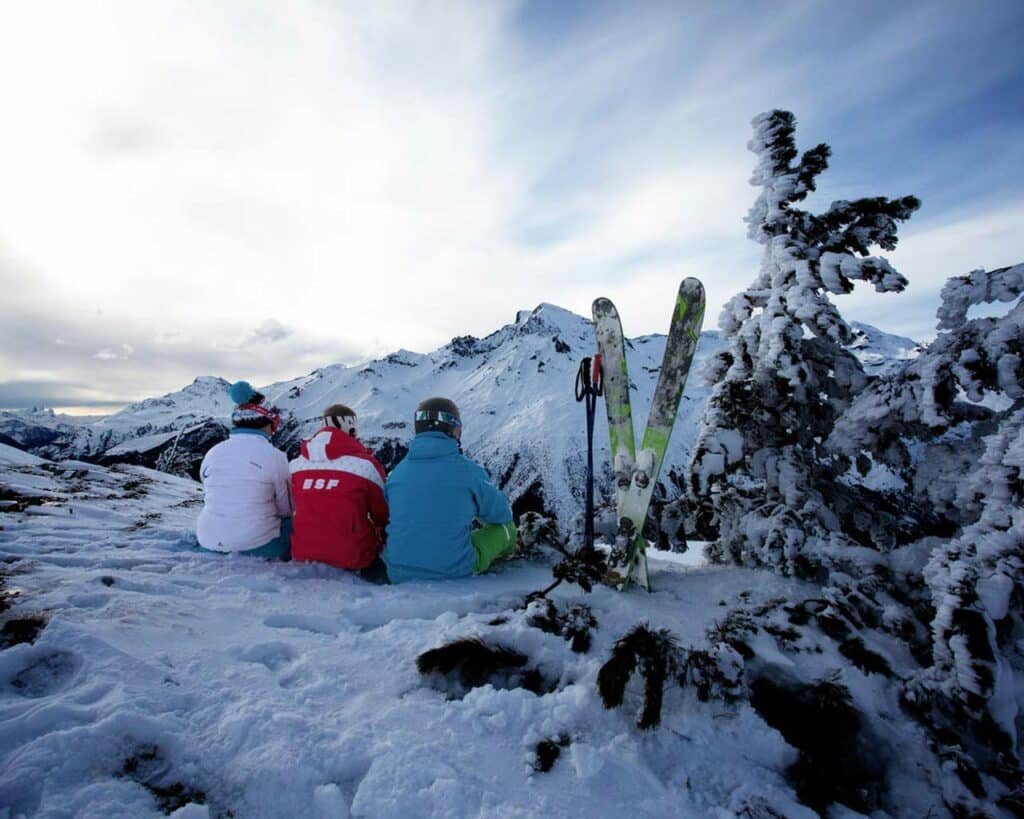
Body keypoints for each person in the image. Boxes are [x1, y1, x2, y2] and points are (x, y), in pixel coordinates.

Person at [382, 397, 516, 583]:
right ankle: (511, 556)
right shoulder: (468, 470)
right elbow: (501, 514)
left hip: (397, 573)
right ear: (453, 429)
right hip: (454, 570)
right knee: (506, 528)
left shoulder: (397, 473)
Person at [195, 381, 292, 559]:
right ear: (269, 421)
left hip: (207, 540)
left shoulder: (212, 453)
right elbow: (287, 509)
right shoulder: (275, 457)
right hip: (257, 545)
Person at [289, 404, 388, 571]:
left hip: (302, 552)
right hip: (353, 557)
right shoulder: (365, 466)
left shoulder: (296, 465)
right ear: (351, 429)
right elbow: (384, 514)